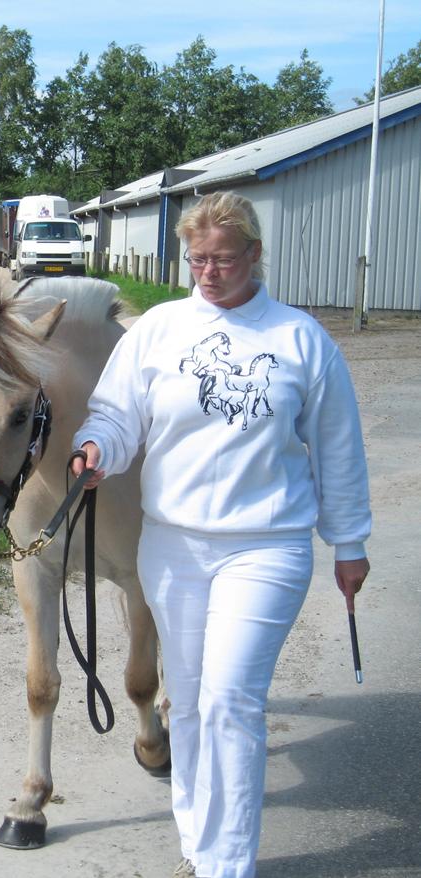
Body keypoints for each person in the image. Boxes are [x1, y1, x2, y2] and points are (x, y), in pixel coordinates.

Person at [70, 191, 371, 878]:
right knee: (189, 700)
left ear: (256, 255)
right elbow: (117, 417)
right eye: (198, 259)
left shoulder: (300, 339)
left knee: (231, 699)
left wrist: (349, 543)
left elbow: (338, 449)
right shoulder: (159, 330)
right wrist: (95, 449)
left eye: (224, 260)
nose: (209, 272)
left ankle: (229, 865)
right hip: (173, 545)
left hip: (268, 545)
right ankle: (200, 842)